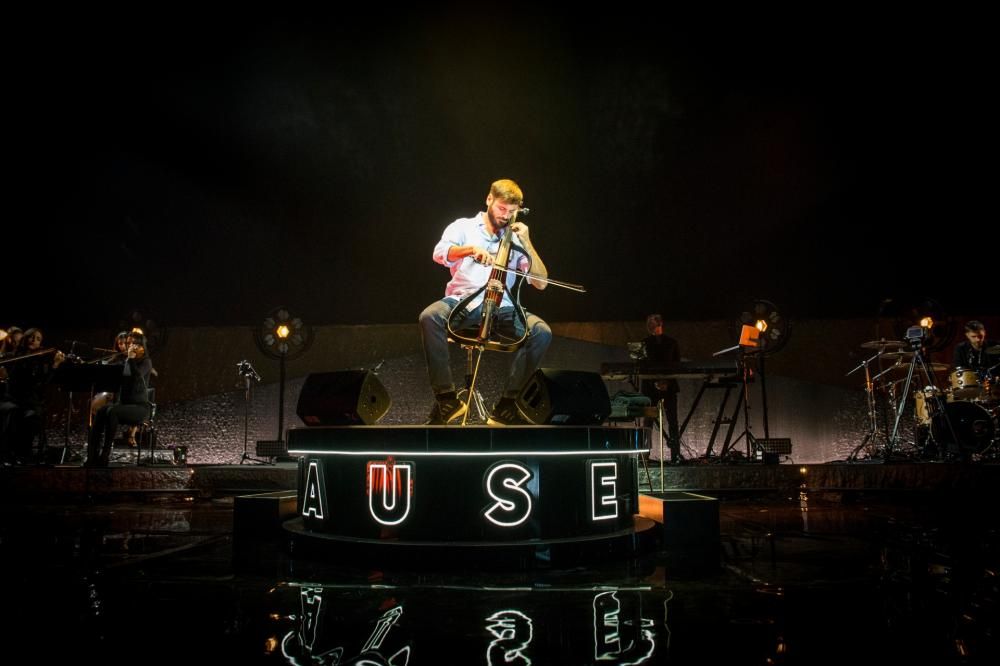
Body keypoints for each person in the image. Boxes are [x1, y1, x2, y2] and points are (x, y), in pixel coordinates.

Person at [418, 179, 552, 425]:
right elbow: (440, 253)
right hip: (463, 301)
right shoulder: (463, 226)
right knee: (430, 317)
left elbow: (541, 283)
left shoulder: (516, 238)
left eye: (512, 212)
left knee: (541, 332)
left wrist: (527, 242)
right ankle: (446, 399)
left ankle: (508, 404)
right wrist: (469, 250)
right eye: (502, 208)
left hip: (504, 307)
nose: (506, 216)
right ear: (489, 199)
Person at [86, 332, 152, 467]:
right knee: (101, 411)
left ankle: (105, 456)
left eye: (134, 343)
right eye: (128, 343)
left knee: (113, 411)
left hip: (140, 408)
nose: (130, 346)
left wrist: (131, 360)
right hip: (124, 405)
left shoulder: (146, 362)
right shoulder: (125, 361)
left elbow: (137, 378)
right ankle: (92, 456)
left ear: (141, 346)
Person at [0, 328, 66, 464]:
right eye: (31, 337)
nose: (34, 340)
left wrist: (55, 365)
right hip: (11, 398)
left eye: (38, 339)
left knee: (32, 417)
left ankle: (23, 453)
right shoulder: (13, 356)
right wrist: (5, 374)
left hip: (30, 401)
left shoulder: (40, 360)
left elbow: (43, 382)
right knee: (14, 412)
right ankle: (8, 453)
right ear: (25, 339)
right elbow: (11, 380)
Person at [641, 314, 682, 463]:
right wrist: (656, 382)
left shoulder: (671, 343)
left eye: (655, 325)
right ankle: (645, 455)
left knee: (671, 421)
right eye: (652, 326)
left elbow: (676, 365)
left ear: (660, 325)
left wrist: (665, 382)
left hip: (666, 386)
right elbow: (643, 366)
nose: (654, 328)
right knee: (649, 422)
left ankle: (675, 455)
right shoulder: (646, 343)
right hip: (652, 387)